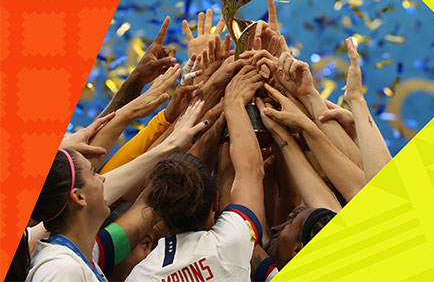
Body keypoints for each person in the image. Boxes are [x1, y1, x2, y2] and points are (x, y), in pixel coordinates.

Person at [24, 102, 207, 282]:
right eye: (93, 173)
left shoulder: (83, 255)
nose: (103, 178)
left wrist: (171, 143)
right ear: (78, 197)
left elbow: (144, 203)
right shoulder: (61, 269)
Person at [125, 64, 267, 282]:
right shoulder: (232, 241)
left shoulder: (140, 276)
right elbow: (250, 171)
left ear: (157, 215)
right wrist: (234, 102)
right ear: (215, 202)